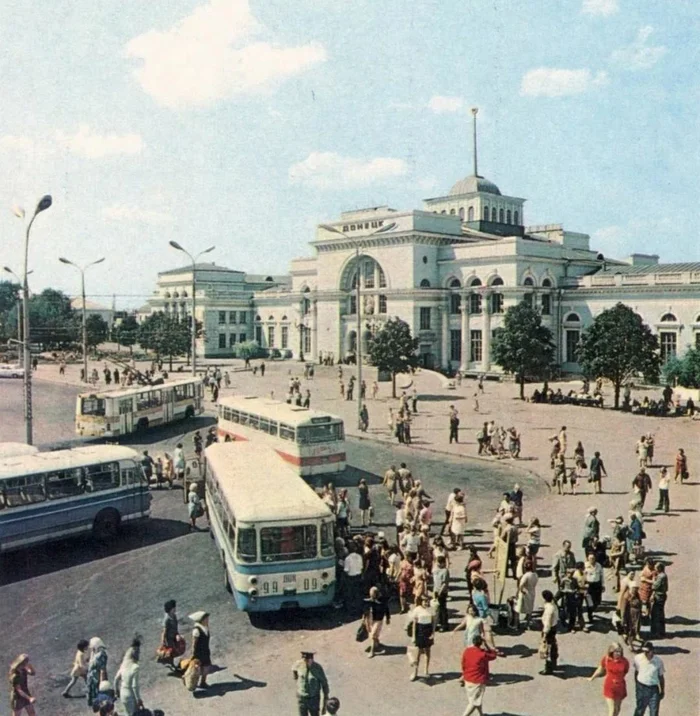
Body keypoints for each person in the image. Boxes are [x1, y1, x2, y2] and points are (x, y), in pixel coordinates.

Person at [588, 642, 630, 716]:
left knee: (617, 709)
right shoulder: (606, 659)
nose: (618, 654)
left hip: (620, 687)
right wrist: (592, 677)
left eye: (620, 651)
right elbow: (600, 669)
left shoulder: (624, 661)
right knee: (612, 709)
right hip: (610, 686)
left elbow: (625, 671)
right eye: (616, 651)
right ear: (611, 651)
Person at [461, 635, 498, 716]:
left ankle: (481, 714)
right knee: (474, 702)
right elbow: (494, 655)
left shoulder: (467, 651)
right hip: (478, 680)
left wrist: (464, 674)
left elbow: (463, 664)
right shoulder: (483, 654)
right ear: (481, 643)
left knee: (475, 699)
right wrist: (487, 644)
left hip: (468, 679)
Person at [292, 651, 329, 716]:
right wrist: (298, 684)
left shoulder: (317, 668)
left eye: (308, 660)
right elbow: (294, 670)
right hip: (302, 698)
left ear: (312, 659)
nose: (306, 661)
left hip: (314, 699)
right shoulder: (299, 664)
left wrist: (325, 701)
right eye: (304, 659)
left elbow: (324, 683)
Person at [632, 642, 664, 716]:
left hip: (653, 689)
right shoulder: (638, 658)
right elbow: (636, 671)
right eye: (644, 652)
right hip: (641, 687)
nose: (645, 654)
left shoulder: (658, 661)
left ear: (652, 650)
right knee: (640, 710)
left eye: (647, 652)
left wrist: (662, 690)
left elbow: (661, 677)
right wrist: (637, 685)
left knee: (654, 712)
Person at [409, 594, 436, 681]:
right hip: (420, 631)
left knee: (428, 652)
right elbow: (414, 624)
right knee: (418, 653)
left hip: (428, 631)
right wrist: (413, 636)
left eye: (427, 601)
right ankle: (415, 672)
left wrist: (433, 633)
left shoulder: (431, 610)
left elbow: (433, 623)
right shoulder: (417, 610)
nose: (426, 603)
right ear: (421, 601)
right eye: (424, 601)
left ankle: (426, 670)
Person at [114, 638, 143, 716]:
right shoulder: (135, 667)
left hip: (123, 694)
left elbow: (116, 679)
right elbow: (134, 686)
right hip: (131, 696)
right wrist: (138, 699)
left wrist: (116, 691)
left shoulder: (124, 665)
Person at [363, 586, 390, 657]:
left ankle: (372, 652)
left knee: (373, 635)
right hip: (372, 619)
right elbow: (366, 611)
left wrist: (388, 618)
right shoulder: (371, 600)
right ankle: (377, 642)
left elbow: (386, 609)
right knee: (374, 634)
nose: (371, 596)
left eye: (372, 595)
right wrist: (365, 620)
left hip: (379, 620)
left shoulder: (382, 600)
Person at [189, 611, 212, 689]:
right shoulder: (196, 630)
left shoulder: (205, 627)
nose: (207, 620)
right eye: (206, 619)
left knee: (206, 667)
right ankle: (193, 684)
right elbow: (194, 643)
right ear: (201, 620)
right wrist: (193, 654)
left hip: (205, 651)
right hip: (199, 653)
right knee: (197, 670)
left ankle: (203, 682)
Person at [514, 560, 538, 631]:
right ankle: (528, 624)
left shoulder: (525, 576)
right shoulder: (535, 575)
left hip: (524, 593)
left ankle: (516, 625)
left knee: (517, 609)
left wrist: (518, 593)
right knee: (529, 610)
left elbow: (521, 585)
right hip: (532, 592)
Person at [539, 590, 559, 675]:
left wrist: (544, 634)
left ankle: (548, 668)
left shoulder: (548, 609)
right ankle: (554, 663)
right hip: (554, 627)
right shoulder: (554, 605)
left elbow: (547, 622)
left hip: (549, 630)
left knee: (547, 648)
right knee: (553, 646)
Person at [160, 600, 183, 670]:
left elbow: (175, 626)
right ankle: (171, 664)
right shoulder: (166, 619)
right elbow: (164, 631)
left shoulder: (174, 616)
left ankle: (169, 663)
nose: (175, 609)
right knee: (170, 651)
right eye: (173, 608)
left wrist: (177, 634)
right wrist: (163, 641)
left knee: (175, 649)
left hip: (174, 636)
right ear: (170, 610)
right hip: (169, 638)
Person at [86, 637, 108, 708]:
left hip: (96, 677)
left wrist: (102, 682)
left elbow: (102, 670)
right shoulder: (95, 652)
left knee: (98, 693)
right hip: (92, 677)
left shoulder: (101, 655)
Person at [649, 563, 668, 639]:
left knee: (656, 614)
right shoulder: (662, 575)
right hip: (661, 596)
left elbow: (655, 586)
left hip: (659, 596)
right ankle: (660, 632)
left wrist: (653, 579)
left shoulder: (661, 576)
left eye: (656, 568)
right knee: (659, 614)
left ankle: (657, 632)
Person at [432, 555, 450, 632]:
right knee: (437, 609)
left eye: (440, 563)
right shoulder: (436, 570)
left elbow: (444, 583)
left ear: (443, 563)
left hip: (442, 592)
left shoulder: (445, 571)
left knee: (442, 609)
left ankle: (444, 624)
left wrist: (440, 592)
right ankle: (438, 623)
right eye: (437, 563)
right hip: (436, 590)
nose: (438, 564)